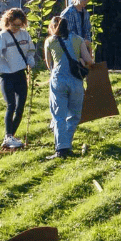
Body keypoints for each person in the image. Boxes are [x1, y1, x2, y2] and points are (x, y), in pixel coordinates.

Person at [0, 8, 36, 149]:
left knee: (20, 107)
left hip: (20, 73)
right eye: (14, 25)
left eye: (19, 25)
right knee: (11, 105)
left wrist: (31, 61)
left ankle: (10, 137)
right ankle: (8, 136)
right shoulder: (2, 37)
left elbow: (30, 51)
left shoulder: (25, 35)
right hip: (6, 75)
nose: (16, 28)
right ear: (7, 22)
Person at [44, 15, 93, 158]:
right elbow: (89, 61)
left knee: (58, 116)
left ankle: (61, 148)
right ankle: (67, 145)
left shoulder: (50, 41)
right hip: (76, 81)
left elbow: (49, 65)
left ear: (52, 28)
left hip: (58, 80)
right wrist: (81, 60)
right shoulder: (78, 39)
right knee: (74, 115)